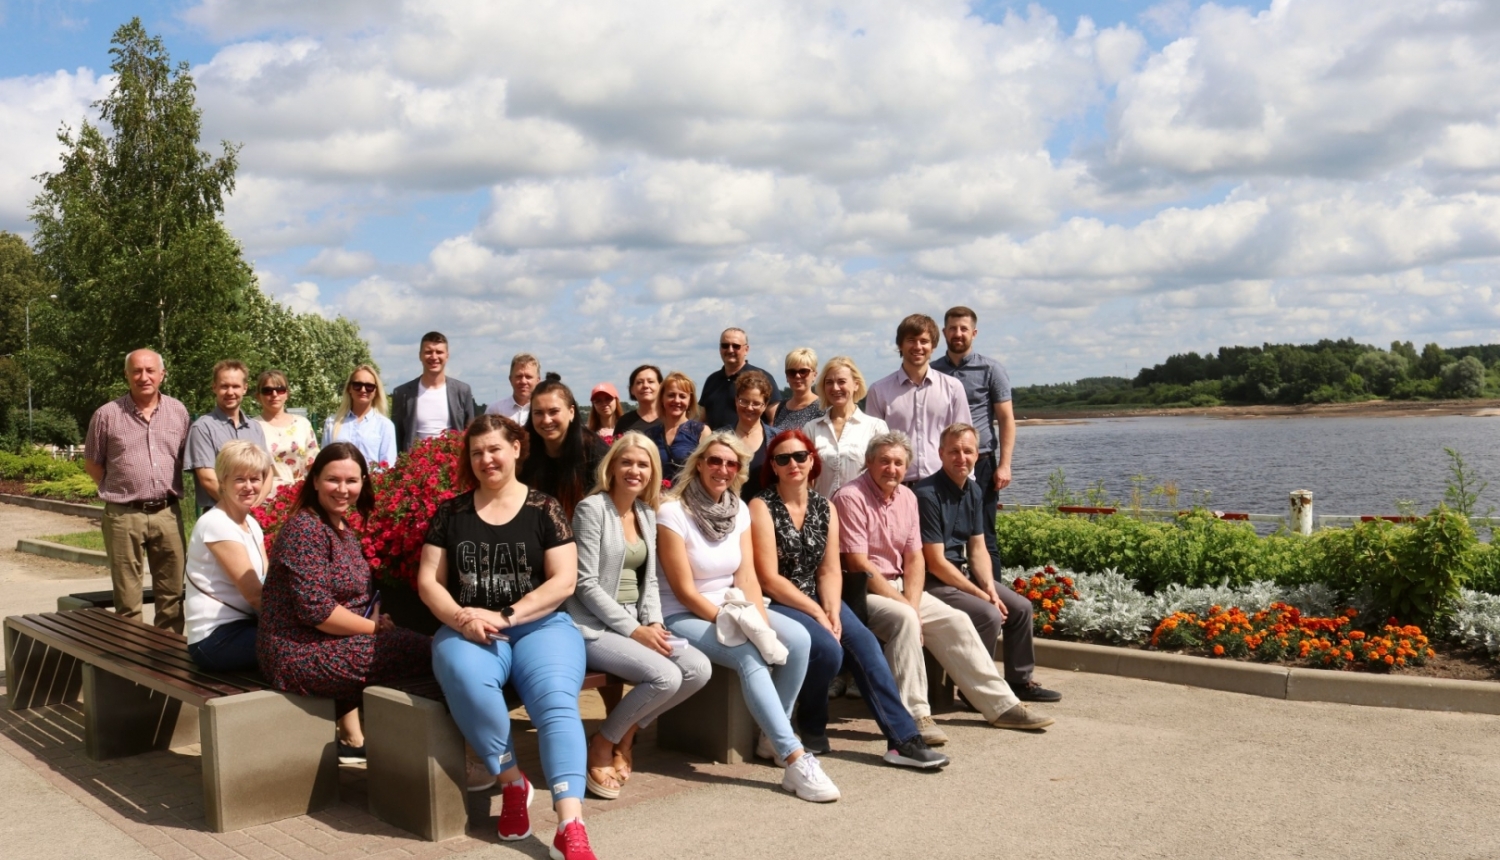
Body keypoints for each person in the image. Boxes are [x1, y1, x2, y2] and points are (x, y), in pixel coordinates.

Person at [416, 415, 601, 859]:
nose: (486, 459)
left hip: (539, 626)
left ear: (517, 448)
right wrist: (462, 619)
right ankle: (512, 781)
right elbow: (428, 582)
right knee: (466, 681)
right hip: (470, 630)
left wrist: (505, 614)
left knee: (556, 701)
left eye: (494, 449)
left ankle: (570, 823)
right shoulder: (451, 513)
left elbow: (563, 582)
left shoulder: (545, 508)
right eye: (476, 452)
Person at [832, 432, 1054, 746]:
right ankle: (915, 715)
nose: (891, 469)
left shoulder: (907, 498)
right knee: (906, 620)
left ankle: (1002, 706)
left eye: (898, 463)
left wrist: (911, 599)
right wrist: (909, 606)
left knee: (956, 621)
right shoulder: (850, 497)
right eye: (884, 461)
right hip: (860, 592)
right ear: (869, 462)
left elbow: (914, 558)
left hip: (899, 587)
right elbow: (858, 564)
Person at [749, 429, 948, 769]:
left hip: (820, 596)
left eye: (800, 456)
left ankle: (903, 740)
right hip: (778, 599)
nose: (793, 464)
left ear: (812, 461)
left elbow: (829, 571)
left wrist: (832, 610)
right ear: (774, 466)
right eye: (783, 458)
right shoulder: (761, 506)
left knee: (866, 645)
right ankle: (811, 725)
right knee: (828, 650)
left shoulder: (825, 507)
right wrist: (817, 611)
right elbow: (769, 577)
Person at [658, 432, 839, 803]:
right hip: (683, 614)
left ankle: (770, 739)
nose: (722, 469)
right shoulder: (673, 512)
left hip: (734, 604)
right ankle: (794, 756)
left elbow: (746, 577)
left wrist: (759, 622)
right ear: (698, 464)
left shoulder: (737, 509)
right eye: (714, 461)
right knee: (748, 653)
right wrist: (737, 625)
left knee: (798, 640)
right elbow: (684, 591)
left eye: (730, 463)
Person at [258, 442, 433, 762]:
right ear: (314, 481)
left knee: (424, 650)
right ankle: (439, 757)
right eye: (332, 480)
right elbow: (316, 610)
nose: (343, 489)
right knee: (430, 652)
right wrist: (373, 628)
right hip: (297, 652)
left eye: (351, 481)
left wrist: (376, 620)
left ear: (363, 482)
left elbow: (351, 598)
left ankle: (405, 752)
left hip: (331, 641)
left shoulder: (342, 528)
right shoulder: (305, 528)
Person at [564, 432, 711, 799]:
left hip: (637, 622)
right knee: (665, 677)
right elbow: (585, 584)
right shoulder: (591, 509)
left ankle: (622, 733)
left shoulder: (646, 513)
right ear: (611, 466)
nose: (634, 470)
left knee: (697, 669)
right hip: (594, 626)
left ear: (652, 472)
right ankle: (602, 743)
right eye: (626, 462)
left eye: (643, 464)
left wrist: (655, 623)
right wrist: (634, 631)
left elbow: (651, 581)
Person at [917, 424, 1060, 703]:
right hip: (930, 581)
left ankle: (1019, 681)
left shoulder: (972, 490)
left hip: (959, 574)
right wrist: (983, 597)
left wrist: (990, 589)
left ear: (977, 455)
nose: (961, 457)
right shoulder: (926, 494)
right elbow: (934, 562)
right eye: (954, 451)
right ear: (941, 453)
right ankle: (975, 690)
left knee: (1020, 607)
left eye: (968, 451)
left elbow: (978, 547)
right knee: (988, 613)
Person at [83, 349, 192, 631]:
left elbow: (182, 457)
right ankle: (132, 671)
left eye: (150, 370)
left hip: (167, 514)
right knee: (128, 602)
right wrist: (122, 489)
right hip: (123, 516)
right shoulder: (107, 415)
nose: (144, 377)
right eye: (137, 371)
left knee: (172, 598)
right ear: (127, 374)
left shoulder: (178, 411)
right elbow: (93, 464)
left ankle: (168, 667)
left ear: (162, 375)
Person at [931, 306, 1016, 577]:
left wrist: (1005, 465)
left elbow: (1006, 420)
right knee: (943, 535)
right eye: (953, 328)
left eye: (964, 329)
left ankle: (995, 601)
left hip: (981, 462)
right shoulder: (932, 371)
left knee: (984, 535)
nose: (958, 334)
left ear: (974, 333)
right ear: (944, 332)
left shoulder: (991, 370)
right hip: (943, 463)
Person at [184, 441, 274, 671]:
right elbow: (255, 595)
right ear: (222, 481)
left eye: (255, 479)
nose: (249, 486)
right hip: (215, 638)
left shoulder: (251, 524)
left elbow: (267, 581)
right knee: (304, 647)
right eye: (239, 479)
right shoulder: (217, 524)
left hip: (245, 625)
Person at [864, 314, 968, 484]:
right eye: (911, 340)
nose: (918, 346)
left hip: (944, 483)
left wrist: (966, 481)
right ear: (900, 345)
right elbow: (873, 445)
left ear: (933, 346)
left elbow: (964, 440)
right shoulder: (879, 391)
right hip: (896, 485)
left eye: (924, 341)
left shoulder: (953, 388)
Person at [185, 360, 267, 513]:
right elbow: (208, 479)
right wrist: (238, 507)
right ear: (214, 387)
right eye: (224, 386)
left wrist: (254, 508)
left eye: (235, 386)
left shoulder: (255, 428)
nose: (230, 392)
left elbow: (267, 473)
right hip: (219, 512)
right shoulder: (203, 428)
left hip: (253, 513)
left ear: (245, 388)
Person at [521, 380, 610, 519]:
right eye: (538, 413)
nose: (546, 420)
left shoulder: (594, 451)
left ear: (571, 412)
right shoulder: (522, 450)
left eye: (553, 411)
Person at [805, 356, 888, 498]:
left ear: (856, 384)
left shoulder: (875, 428)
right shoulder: (812, 428)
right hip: (823, 514)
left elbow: (884, 473)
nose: (835, 388)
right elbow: (804, 477)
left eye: (841, 381)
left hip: (862, 512)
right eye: (829, 382)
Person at [392, 331, 477, 453]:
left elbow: (469, 433)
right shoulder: (403, 393)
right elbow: (398, 436)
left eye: (439, 352)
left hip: (453, 465)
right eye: (428, 352)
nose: (434, 357)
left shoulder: (462, 391)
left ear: (447, 356)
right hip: (415, 466)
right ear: (420, 355)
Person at [252, 369, 319, 493]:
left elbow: (313, 463)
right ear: (258, 396)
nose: (274, 394)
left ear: (287, 394)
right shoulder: (251, 427)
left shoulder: (302, 424)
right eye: (267, 391)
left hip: (300, 493)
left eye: (280, 389)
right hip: (265, 496)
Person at [700, 328, 783, 428]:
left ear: (746, 349)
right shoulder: (711, 380)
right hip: (716, 442)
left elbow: (774, 420)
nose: (730, 350)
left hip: (750, 442)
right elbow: (702, 420)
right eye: (725, 345)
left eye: (736, 346)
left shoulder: (762, 378)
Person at [323, 365, 397, 469]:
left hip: (372, 484)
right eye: (357, 385)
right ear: (349, 388)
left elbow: (388, 466)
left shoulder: (385, 425)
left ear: (376, 391)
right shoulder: (332, 423)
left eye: (369, 386)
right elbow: (324, 462)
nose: (363, 390)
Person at [644, 372, 709, 486]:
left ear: (690, 401)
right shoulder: (650, 435)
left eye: (682, 396)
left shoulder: (701, 432)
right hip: (657, 500)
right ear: (662, 399)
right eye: (671, 395)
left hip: (690, 500)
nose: (677, 400)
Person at [725, 371, 774, 501]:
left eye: (756, 403)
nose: (749, 408)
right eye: (744, 401)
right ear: (736, 400)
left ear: (765, 405)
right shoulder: (720, 438)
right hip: (728, 514)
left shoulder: (777, 439)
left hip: (768, 515)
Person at [772, 348, 825, 431]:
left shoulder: (822, 407)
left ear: (814, 375)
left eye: (803, 372)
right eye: (792, 372)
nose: (797, 376)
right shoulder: (782, 407)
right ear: (786, 376)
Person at [486, 353, 541, 424]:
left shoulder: (544, 411)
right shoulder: (495, 410)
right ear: (510, 379)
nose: (523, 381)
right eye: (519, 376)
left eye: (528, 377)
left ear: (538, 380)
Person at [614, 365, 662, 436]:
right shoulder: (624, 422)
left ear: (661, 386)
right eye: (639, 382)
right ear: (632, 390)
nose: (645, 386)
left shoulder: (671, 418)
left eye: (650, 381)